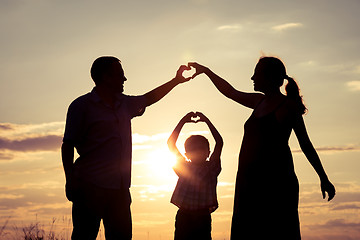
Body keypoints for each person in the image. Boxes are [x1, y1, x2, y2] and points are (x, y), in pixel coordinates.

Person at [189, 57, 336, 240]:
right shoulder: (258, 101)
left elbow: (305, 144)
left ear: (268, 77)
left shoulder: (287, 107)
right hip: (249, 181)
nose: (252, 77)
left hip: (275, 182)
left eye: (256, 73)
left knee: (276, 231)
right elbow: (230, 92)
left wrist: (323, 177)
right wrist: (206, 71)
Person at [61, 56, 191, 240]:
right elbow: (68, 145)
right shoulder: (81, 106)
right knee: (84, 235)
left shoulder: (125, 104)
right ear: (106, 77)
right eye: (120, 75)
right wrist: (70, 180)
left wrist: (176, 81)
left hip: (120, 190)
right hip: (89, 188)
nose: (125, 79)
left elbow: (149, 98)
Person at [168, 112, 223, 240]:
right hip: (184, 215)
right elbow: (171, 143)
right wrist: (183, 121)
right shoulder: (184, 168)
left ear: (208, 152)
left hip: (202, 216)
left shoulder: (211, 168)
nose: (197, 152)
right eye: (193, 149)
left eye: (200, 148)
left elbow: (219, 142)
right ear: (187, 154)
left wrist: (207, 121)